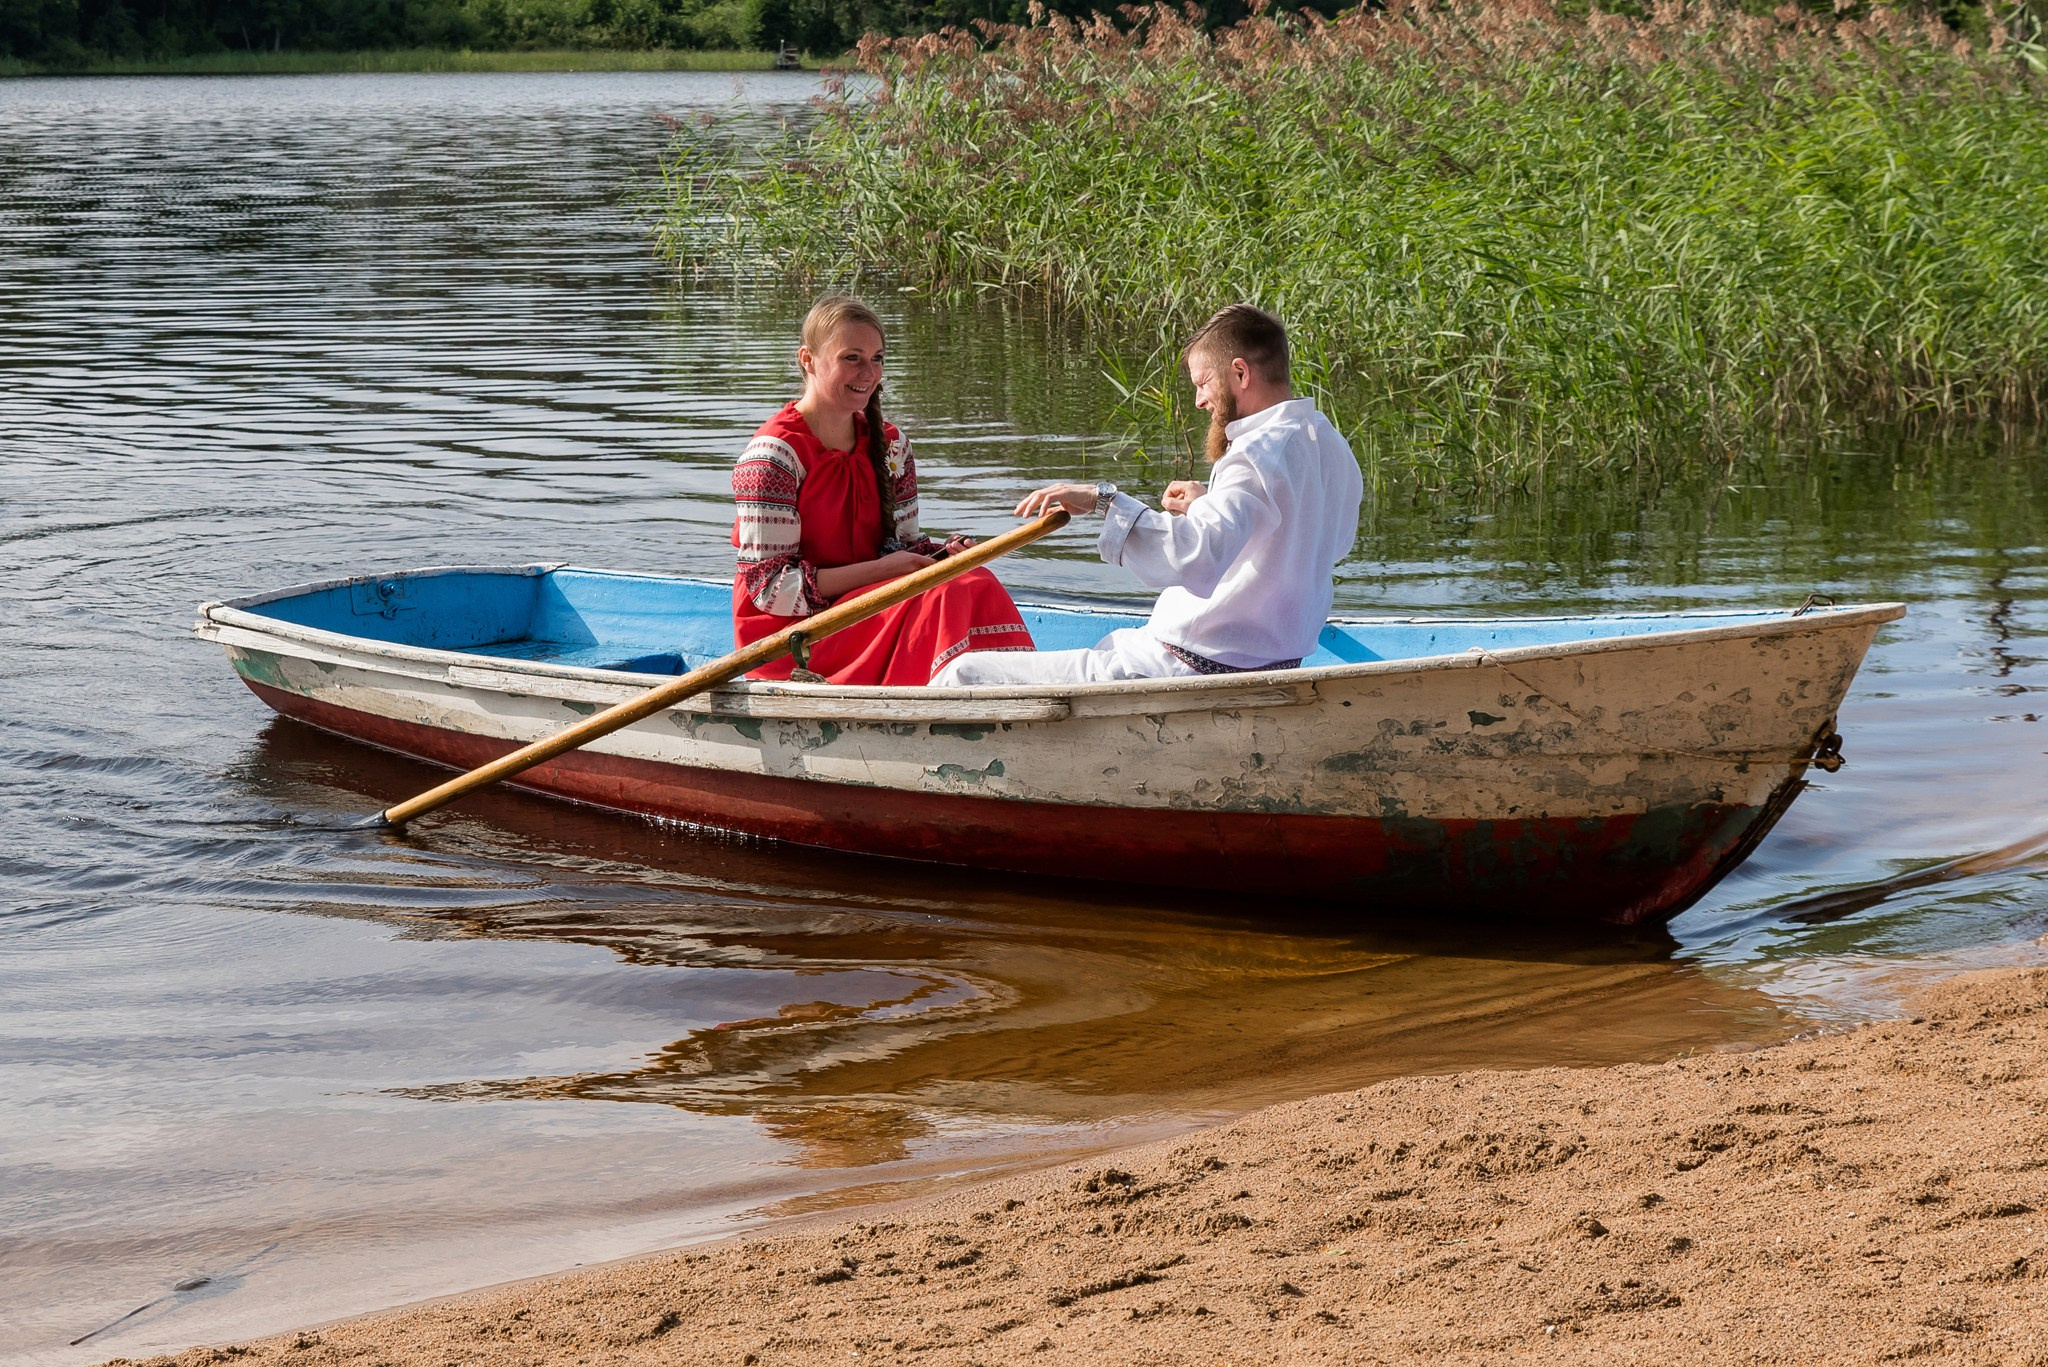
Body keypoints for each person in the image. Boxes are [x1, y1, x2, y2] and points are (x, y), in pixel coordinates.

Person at [932, 304, 1361, 686]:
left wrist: (1103, 500)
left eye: (1203, 383)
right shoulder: (1328, 443)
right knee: (1105, 646)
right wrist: (1207, 500)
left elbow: (1196, 555)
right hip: (1275, 666)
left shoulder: (1254, 454)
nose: (1199, 401)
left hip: (1189, 666)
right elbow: (1323, 540)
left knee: (963, 673)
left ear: (1240, 373)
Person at [731, 296, 1034, 685]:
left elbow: (904, 548)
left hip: (866, 598)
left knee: (974, 581)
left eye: (877, 358)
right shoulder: (773, 456)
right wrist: (885, 571)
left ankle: (1010, 696)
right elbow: (771, 588)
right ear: (808, 359)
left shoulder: (891, 445)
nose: (869, 373)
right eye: (852, 358)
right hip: (792, 633)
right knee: (944, 597)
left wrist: (946, 553)